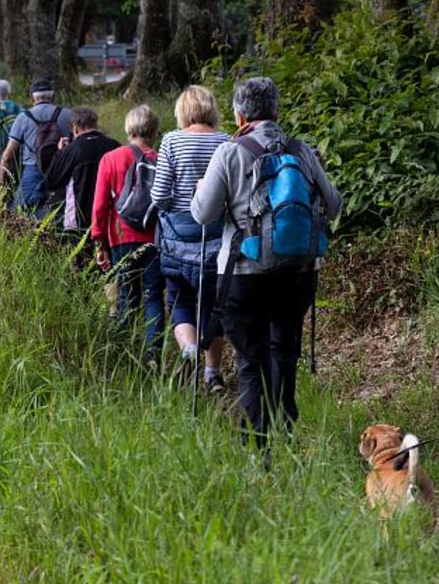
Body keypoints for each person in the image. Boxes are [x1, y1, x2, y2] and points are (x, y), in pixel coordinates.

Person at [191, 77, 342, 451]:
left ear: (240, 114)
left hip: (244, 273)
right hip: (298, 272)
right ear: (276, 111)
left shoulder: (230, 152)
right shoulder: (301, 150)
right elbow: (335, 205)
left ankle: (257, 446)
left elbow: (203, 214)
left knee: (250, 358)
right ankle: (285, 435)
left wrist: (200, 191)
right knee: (284, 350)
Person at [151, 85, 230, 394]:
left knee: (180, 299)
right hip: (214, 238)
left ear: (182, 110)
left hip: (177, 240)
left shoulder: (171, 141)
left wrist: (177, 209)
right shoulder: (225, 141)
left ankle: (188, 350)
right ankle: (213, 374)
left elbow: (158, 195)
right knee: (212, 305)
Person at [92, 105, 165, 360]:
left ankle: (125, 352)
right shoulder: (161, 159)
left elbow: (100, 206)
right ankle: (153, 352)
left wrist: (98, 242)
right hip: (154, 238)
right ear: (154, 131)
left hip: (120, 238)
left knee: (126, 295)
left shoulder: (111, 159)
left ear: (128, 129)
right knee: (154, 296)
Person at [0, 79, 72, 217]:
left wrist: (3, 185)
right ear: (53, 96)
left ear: (32, 98)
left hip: (32, 170)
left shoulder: (23, 118)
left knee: (21, 213)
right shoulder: (68, 115)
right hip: (62, 170)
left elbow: (8, 156)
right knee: (62, 210)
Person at [43, 107, 120, 233]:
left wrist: (60, 153)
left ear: (75, 128)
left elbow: (51, 180)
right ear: (95, 124)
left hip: (79, 220)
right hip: (110, 218)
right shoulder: (114, 146)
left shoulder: (72, 150)